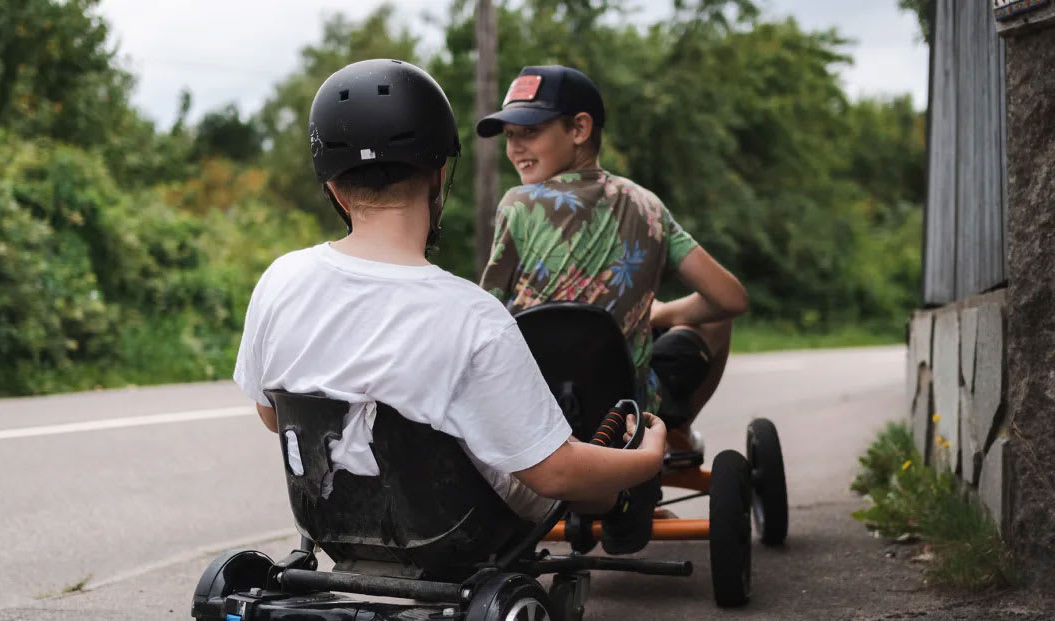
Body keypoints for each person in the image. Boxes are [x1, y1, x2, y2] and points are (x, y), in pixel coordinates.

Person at [232, 59, 666, 548]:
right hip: (452, 528)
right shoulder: (474, 316)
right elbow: (556, 475)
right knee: (550, 462)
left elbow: (274, 417)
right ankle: (621, 505)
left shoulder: (279, 279)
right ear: (439, 175)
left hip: (326, 518)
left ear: (334, 187)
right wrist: (647, 461)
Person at [477, 65, 749, 452]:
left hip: (535, 405)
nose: (514, 148)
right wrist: (664, 314)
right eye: (509, 136)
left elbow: (488, 311)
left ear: (579, 129)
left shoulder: (517, 205)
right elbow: (732, 300)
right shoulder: (647, 205)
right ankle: (677, 434)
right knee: (718, 323)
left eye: (530, 132)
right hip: (625, 410)